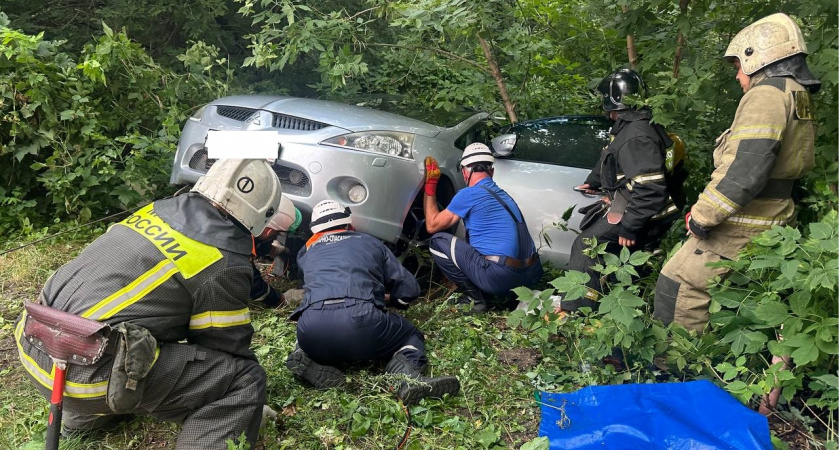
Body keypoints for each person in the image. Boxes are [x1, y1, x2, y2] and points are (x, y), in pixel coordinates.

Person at [15, 158, 283, 448]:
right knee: (243, 378)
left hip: (36, 349)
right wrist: (247, 403)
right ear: (262, 216)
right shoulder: (224, 262)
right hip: (87, 377)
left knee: (116, 327)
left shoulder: (152, 212)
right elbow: (224, 345)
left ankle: (79, 421)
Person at [654, 13, 819, 333]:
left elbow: (745, 170)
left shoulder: (766, 94)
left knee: (679, 282)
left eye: (736, 66)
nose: (736, 76)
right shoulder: (797, 92)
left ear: (755, 56)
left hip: (748, 217)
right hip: (778, 214)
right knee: (747, 297)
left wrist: (700, 216)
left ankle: (677, 368)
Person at [285, 200, 460, 405]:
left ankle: (305, 355)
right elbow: (410, 290)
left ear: (315, 229)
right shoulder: (369, 241)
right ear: (349, 224)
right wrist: (393, 300)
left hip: (312, 329)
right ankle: (407, 376)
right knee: (411, 334)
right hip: (362, 323)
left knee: (308, 326)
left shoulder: (305, 252)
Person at [561, 68, 680, 312]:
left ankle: (576, 312)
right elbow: (612, 157)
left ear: (610, 101)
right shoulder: (632, 127)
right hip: (638, 207)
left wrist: (630, 225)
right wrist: (594, 181)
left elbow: (650, 188)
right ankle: (603, 308)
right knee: (609, 255)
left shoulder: (636, 136)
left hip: (643, 211)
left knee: (586, 246)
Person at [423, 143, 542, 313]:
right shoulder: (504, 195)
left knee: (438, 241)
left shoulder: (468, 194)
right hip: (531, 275)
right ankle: (504, 296)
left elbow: (432, 225)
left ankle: (474, 298)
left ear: (464, 171)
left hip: (502, 277)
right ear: (491, 171)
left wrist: (431, 187)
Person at [249, 195, 303, 307]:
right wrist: (282, 298)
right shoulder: (239, 247)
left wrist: (273, 250)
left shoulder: (246, 220)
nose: (276, 237)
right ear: (268, 231)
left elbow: (258, 242)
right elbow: (253, 285)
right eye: (277, 233)